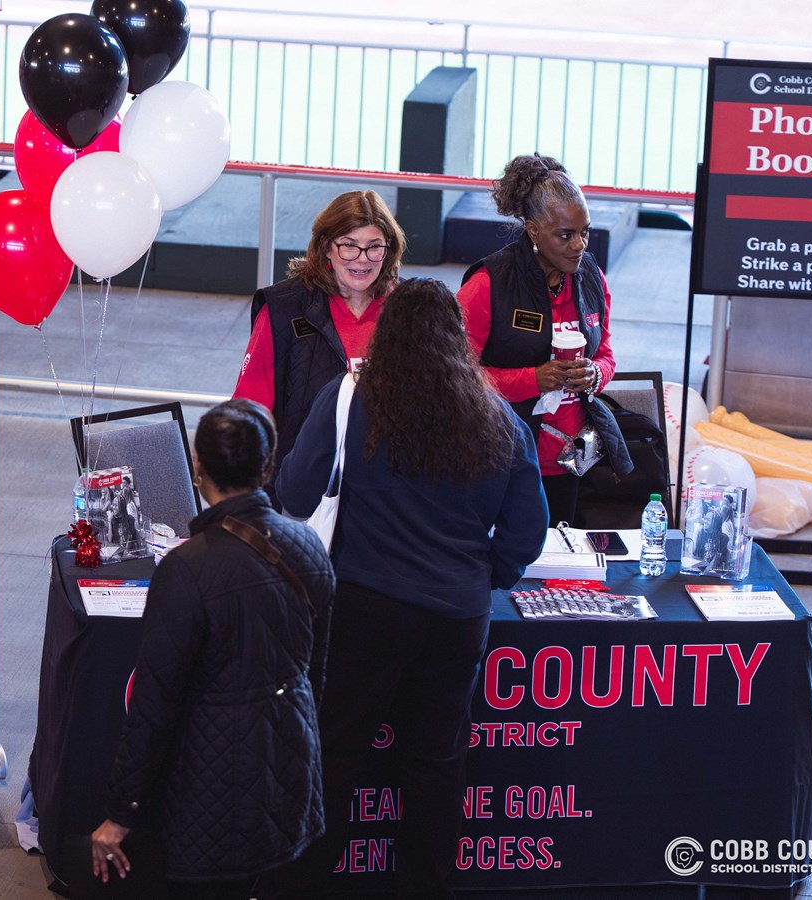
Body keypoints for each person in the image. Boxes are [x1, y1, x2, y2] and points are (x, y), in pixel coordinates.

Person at [276, 278, 547, 898]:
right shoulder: (498, 420)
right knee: (435, 763)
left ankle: (305, 883)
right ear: (458, 339)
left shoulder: (350, 400)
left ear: (386, 333)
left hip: (363, 606)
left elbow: (294, 494)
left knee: (337, 754)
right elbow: (526, 531)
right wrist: (484, 576)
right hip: (456, 616)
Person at [91, 399, 336, 900]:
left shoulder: (188, 569)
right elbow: (318, 673)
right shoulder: (309, 548)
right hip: (292, 778)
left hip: (211, 794)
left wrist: (121, 814)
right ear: (269, 466)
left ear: (197, 466)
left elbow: (153, 704)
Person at [458, 152, 632, 525]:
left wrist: (595, 374)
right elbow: (456, 377)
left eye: (584, 231)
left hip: (569, 459)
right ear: (534, 231)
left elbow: (606, 353)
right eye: (565, 235)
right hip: (500, 454)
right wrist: (531, 380)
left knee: (555, 567)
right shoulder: (487, 285)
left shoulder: (590, 277)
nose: (579, 245)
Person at [233, 190, 407, 474]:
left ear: (389, 248)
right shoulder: (282, 309)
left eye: (374, 246)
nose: (362, 259)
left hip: (387, 482)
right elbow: (250, 407)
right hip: (303, 479)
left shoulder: (413, 308)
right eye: (349, 245)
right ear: (326, 246)